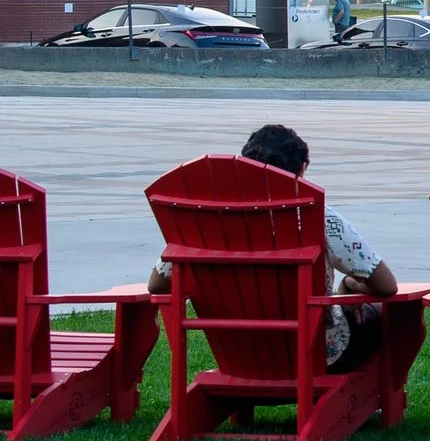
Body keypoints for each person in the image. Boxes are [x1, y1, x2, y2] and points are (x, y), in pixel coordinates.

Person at [149, 124, 403, 375]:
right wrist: (350, 283)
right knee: (398, 314)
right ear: (302, 169)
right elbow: (386, 285)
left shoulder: (203, 222)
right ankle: (383, 400)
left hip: (239, 354)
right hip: (317, 354)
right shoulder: (321, 220)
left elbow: (157, 285)